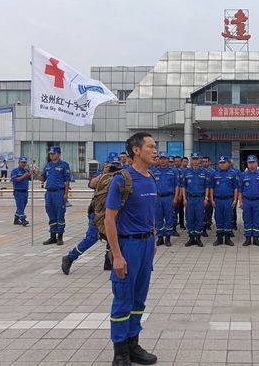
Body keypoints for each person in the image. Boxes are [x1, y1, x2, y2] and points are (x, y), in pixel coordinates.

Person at [105, 132, 158, 366]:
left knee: (139, 299)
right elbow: (109, 219)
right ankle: (120, 353)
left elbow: (150, 214)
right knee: (123, 299)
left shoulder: (151, 178)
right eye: (150, 146)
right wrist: (116, 255)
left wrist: (154, 239)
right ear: (136, 150)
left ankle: (133, 344)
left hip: (146, 246)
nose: (155, 150)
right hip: (128, 246)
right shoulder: (122, 179)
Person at [61, 153, 120, 275]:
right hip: (98, 212)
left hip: (113, 211)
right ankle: (70, 257)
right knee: (92, 237)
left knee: (112, 236)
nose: (114, 167)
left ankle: (108, 261)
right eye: (111, 164)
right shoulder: (100, 174)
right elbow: (92, 184)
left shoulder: (121, 175)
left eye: (116, 164)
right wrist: (105, 173)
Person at [42, 146, 71, 246]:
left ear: (59, 154)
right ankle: (52, 236)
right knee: (51, 214)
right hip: (49, 193)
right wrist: (35, 174)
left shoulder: (64, 165)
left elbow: (67, 180)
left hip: (59, 192)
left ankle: (60, 237)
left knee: (60, 214)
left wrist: (66, 194)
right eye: (50, 153)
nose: (51, 155)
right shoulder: (48, 165)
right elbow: (43, 179)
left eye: (53, 153)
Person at [151, 153, 180, 247]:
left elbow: (177, 185)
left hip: (169, 198)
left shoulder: (174, 171)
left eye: (165, 159)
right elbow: (151, 186)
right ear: (158, 160)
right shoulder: (154, 171)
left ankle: (167, 237)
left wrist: (176, 197)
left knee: (169, 217)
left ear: (168, 160)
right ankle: (160, 237)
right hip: (157, 198)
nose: (163, 161)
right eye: (161, 159)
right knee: (158, 218)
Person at [182, 153, 210, 247]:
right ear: (191, 160)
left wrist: (206, 198)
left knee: (199, 218)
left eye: (196, 159)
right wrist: (184, 199)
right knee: (190, 218)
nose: (194, 161)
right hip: (189, 198)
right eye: (193, 159)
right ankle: (191, 238)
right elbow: (183, 187)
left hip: (200, 198)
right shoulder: (186, 172)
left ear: (200, 160)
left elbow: (207, 187)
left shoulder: (204, 172)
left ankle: (198, 238)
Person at [209, 155, 238, 246]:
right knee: (218, 218)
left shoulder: (233, 174)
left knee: (228, 218)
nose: (222, 164)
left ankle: (228, 238)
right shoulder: (214, 174)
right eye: (220, 163)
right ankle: (219, 238)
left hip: (228, 200)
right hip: (217, 200)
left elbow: (236, 188)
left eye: (224, 162)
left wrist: (235, 199)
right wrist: (212, 199)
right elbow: (211, 188)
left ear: (228, 163)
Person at [238, 155, 259, 246]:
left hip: (258, 201)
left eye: (253, 162)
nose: (251, 164)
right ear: (247, 163)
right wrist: (240, 201)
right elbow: (240, 190)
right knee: (247, 219)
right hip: (247, 201)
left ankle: (256, 239)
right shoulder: (243, 175)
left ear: (256, 163)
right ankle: (248, 238)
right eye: (249, 162)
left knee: (257, 220)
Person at [10, 156, 35, 226]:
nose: (23, 164)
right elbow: (16, 180)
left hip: (25, 191)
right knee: (20, 206)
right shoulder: (15, 171)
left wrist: (33, 173)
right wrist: (25, 175)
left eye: (25, 162)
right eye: (22, 162)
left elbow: (31, 178)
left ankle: (16, 219)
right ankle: (23, 220)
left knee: (22, 206)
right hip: (18, 191)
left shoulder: (26, 171)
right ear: (19, 163)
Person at [202, 156, 215, 237]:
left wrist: (212, 197)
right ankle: (203, 228)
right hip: (201, 196)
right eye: (203, 161)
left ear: (209, 162)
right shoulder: (200, 171)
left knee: (209, 211)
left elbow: (213, 185)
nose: (205, 163)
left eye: (206, 161)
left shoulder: (213, 172)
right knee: (202, 213)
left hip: (210, 196)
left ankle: (208, 224)